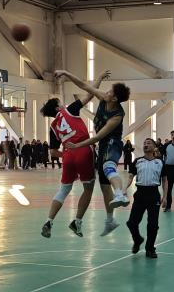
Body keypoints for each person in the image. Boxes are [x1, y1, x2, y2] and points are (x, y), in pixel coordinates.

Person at [55, 69, 131, 236]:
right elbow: (84, 85)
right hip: (103, 146)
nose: (106, 92)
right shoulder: (104, 98)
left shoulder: (117, 116)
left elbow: (97, 137)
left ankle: (120, 194)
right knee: (104, 186)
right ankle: (110, 221)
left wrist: (77, 145)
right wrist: (66, 73)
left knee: (109, 166)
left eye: (110, 91)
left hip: (112, 143)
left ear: (115, 98)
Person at [40, 83, 102, 239]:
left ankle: (49, 221)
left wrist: (67, 155)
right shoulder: (69, 110)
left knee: (63, 190)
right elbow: (90, 94)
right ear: (57, 107)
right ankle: (77, 221)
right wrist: (99, 79)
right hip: (83, 150)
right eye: (60, 103)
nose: (63, 104)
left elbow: (53, 152)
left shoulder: (53, 126)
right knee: (88, 189)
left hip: (68, 155)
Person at [128, 137, 163, 258]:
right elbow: (130, 177)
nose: (145, 145)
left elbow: (165, 179)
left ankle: (150, 249)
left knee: (153, 225)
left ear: (154, 147)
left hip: (154, 194)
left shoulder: (160, 162)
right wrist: (124, 189)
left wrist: (165, 196)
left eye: (148, 143)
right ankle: (137, 239)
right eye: (144, 143)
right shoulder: (137, 161)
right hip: (140, 194)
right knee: (132, 223)